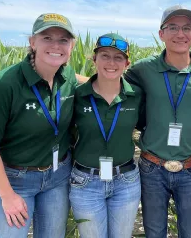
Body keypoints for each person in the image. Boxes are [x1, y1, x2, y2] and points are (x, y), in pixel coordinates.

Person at [0, 13, 77, 238]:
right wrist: (7, 195)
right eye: (47, 37)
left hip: (57, 178)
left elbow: (89, 82)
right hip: (14, 181)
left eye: (63, 40)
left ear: (72, 46)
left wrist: (115, 82)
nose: (56, 45)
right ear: (32, 42)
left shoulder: (67, 78)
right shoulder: (5, 84)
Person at [124, 5, 191, 238]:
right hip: (152, 166)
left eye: (187, 28)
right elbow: (107, 79)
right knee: (154, 231)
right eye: (172, 27)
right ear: (161, 33)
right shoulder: (143, 69)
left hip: (190, 167)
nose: (180, 34)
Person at [69, 33, 143, 238]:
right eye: (104, 55)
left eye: (118, 57)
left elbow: (153, 123)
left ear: (127, 63)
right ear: (94, 60)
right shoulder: (77, 94)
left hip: (126, 181)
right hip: (85, 183)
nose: (111, 62)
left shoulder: (136, 95)